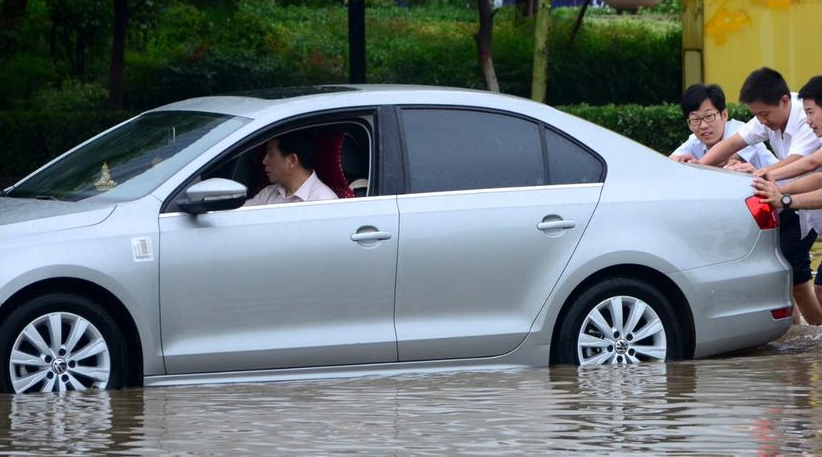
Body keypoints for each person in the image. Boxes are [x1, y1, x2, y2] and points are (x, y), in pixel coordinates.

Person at [699, 68, 822, 325]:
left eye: (764, 114)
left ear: (786, 101)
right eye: (757, 116)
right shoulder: (771, 118)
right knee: (802, 278)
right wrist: (698, 170)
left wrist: (763, 177)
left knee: (800, 274)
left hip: (797, 204)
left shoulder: (802, 121)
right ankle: (805, 339)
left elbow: (805, 163)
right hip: (793, 204)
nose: (762, 121)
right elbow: (732, 144)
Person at [669, 83, 776, 171]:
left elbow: (725, 160)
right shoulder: (694, 141)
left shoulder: (741, 131)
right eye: (695, 119)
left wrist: (694, 164)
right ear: (689, 124)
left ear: (724, 115)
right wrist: (678, 161)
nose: (703, 126)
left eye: (709, 116)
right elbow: (669, 162)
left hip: (782, 188)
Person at [244, 131, 338, 206]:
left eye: (271, 154)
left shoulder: (323, 202)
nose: (264, 161)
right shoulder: (268, 193)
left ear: (292, 160)